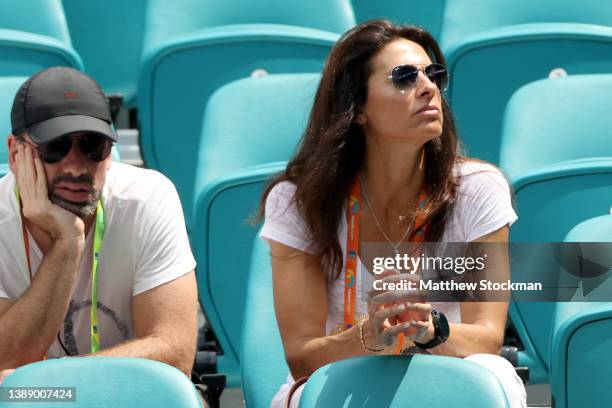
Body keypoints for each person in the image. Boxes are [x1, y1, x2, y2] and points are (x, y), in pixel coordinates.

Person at [259, 20, 527, 407]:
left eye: (434, 74)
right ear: (357, 109)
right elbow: (301, 356)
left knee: (494, 376)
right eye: (404, 77)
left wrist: (429, 328)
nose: (428, 87)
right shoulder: (297, 200)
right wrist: (369, 337)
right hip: (345, 378)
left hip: (449, 373)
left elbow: (487, 337)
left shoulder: (478, 187)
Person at [0, 67, 198, 384]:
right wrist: (67, 242)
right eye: (56, 147)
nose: (77, 167)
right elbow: (3, 362)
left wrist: (57, 383)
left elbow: (175, 355)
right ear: (15, 152)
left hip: (123, 398)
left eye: (93, 146)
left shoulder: (148, 198)